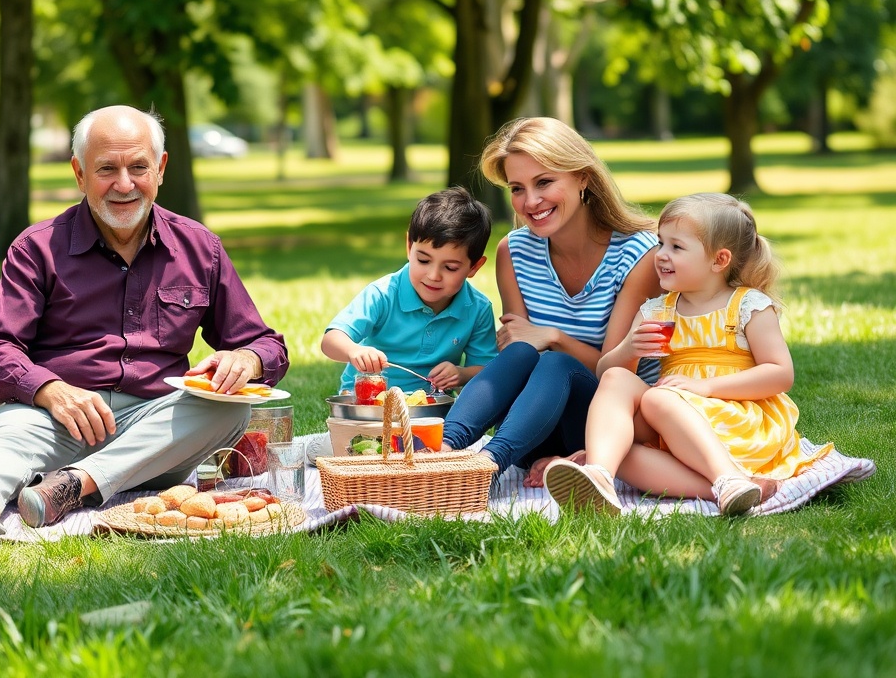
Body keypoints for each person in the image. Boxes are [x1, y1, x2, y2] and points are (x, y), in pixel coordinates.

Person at [0, 105, 289, 537]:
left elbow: (267, 343)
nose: (124, 184)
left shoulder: (199, 248)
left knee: (227, 409)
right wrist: (49, 390)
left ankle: (74, 486)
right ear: (79, 173)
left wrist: (247, 359)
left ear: (161, 169)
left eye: (138, 167)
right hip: (58, 418)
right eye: (106, 169)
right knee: (13, 429)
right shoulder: (37, 249)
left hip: (157, 429)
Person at [544, 193, 832, 516]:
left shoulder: (747, 306)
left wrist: (706, 388)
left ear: (719, 260)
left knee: (656, 398)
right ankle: (602, 476)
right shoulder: (657, 309)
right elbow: (604, 374)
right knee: (617, 418)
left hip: (735, 419)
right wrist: (628, 350)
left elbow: (781, 374)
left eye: (676, 247)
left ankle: (727, 475)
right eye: (660, 243)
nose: (661, 255)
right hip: (674, 424)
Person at [439, 117, 663, 481]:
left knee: (556, 362)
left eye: (544, 182)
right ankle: (442, 449)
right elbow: (519, 350)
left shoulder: (639, 254)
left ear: (583, 177)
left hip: (606, 428)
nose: (530, 202)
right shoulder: (514, 251)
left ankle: (488, 467)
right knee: (524, 354)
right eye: (517, 188)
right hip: (534, 427)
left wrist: (554, 337)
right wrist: (537, 341)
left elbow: (617, 371)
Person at [321, 186, 497, 394]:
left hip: (430, 407)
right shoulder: (383, 294)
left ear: (474, 267)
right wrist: (354, 351)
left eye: (450, 268)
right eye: (423, 260)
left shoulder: (477, 308)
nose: (433, 275)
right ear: (409, 247)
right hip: (367, 401)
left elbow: (488, 370)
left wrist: (462, 374)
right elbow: (330, 340)